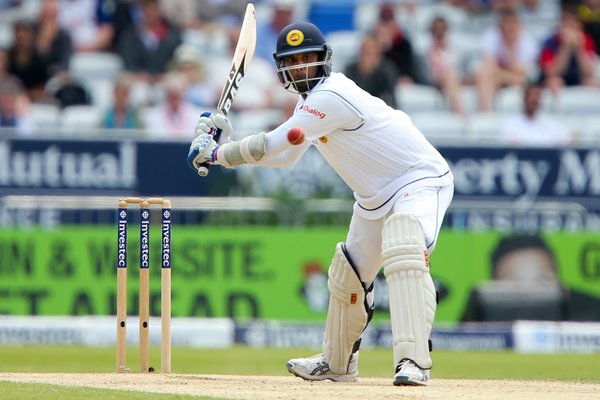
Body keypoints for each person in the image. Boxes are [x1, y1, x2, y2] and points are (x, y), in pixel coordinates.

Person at [187, 22, 454, 386]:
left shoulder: (332, 95)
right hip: (373, 199)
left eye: (307, 59)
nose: (300, 68)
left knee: (403, 241)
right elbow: (283, 158)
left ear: (322, 61)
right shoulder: (308, 106)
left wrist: (216, 153)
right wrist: (224, 151)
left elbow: (272, 143)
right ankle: (338, 363)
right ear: (282, 68)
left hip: (419, 181)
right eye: (292, 62)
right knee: (348, 275)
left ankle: (413, 362)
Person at [474, 8, 539, 112]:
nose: (510, 27)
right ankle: (485, 113)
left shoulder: (528, 42)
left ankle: (485, 114)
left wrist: (509, 47)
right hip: (498, 77)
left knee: (486, 76)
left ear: (519, 25)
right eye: (507, 23)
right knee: (486, 78)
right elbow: (488, 64)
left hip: (520, 80)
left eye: (513, 23)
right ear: (500, 25)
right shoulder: (491, 36)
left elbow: (521, 73)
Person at [539, 6, 597, 94]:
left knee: (591, 83)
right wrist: (566, 48)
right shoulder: (550, 42)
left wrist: (579, 48)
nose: (570, 30)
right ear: (560, 24)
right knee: (555, 82)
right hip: (558, 78)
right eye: (567, 25)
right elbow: (551, 72)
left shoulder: (586, 40)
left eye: (573, 25)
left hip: (578, 77)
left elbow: (588, 72)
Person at [499, 82, 573, 146]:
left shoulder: (549, 124)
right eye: (531, 95)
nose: (534, 99)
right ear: (524, 98)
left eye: (537, 95)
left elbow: (570, 139)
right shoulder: (511, 124)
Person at [344, 35, 398, 108]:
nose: (366, 57)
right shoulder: (350, 70)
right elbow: (346, 95)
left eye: (369, 53)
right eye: (364, 52)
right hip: (355, 110)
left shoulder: (386, 72)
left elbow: (391, 100)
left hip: (377, 111)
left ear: (378, 55)